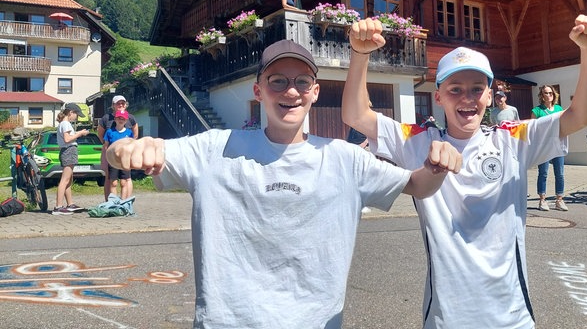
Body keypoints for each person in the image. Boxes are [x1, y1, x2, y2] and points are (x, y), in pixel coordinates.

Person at [105, 39, 462, 328]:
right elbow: (119, 154)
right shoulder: (214, 148)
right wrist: (126, 149)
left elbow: (417, 186)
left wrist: (435, 166)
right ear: (259, 91)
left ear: (315, 91)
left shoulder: (344, 158)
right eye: (278, 81)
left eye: (301, 82)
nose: (291, 91)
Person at [342, 14, 587, 328]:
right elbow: (356, 114)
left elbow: (581, 115)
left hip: (511, 317)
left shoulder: (512, 139)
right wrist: (359, 55)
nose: (467, 98)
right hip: (447, 318)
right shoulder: (417, 140)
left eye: (476, 89)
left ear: (489, 95)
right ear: (438, 97)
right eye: (455, 89)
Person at [531, 84, 567, 211]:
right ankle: (542, 200)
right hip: (543, 146)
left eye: (550, 93)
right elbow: (533, 129)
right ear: (541, 95)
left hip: (557, 144)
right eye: (546, 93)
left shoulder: (559, 109)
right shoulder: (537, 111)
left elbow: (564, 124)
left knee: (560, 173)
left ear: (554, 95)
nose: (549, 95)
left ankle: (559, 200)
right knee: (543, 173)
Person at [98, 95, 139, 201]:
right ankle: (110, 202)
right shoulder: (106, 119)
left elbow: (134, 135)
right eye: (118, 103)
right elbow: (102, 137)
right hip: (111, 156)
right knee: (111, 179)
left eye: (123, 103)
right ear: (113, 105)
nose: (121, 105)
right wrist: (105, 158)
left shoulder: (130, 118)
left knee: (126, 179)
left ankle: (125, 201)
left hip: (125, 156)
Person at [52, 103, 89, 215]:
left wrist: (78, 133)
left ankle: (70, 204)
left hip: (67, 151)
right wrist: (80, 134)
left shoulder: (63, 124)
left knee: (69, 179)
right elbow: (68, 139)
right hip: (69, 151)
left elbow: (67, 137)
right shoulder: (66, 124)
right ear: (71, 112)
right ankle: (58, 206)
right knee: (64, 180)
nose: (76, 117)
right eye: (76, 115)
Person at [103, 110, 135, 200]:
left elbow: (132, 146)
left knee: (124, 182)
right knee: (113, 182)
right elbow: (106, 146)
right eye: (119, 118)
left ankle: (123, 202)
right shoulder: (109, 132)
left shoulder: (129, 133)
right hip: (113, 161)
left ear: (126, 120)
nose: (121, 120)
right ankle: (114, 202)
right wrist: (106, 159)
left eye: (123, 118)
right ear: (115, 119)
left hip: (125, 161)